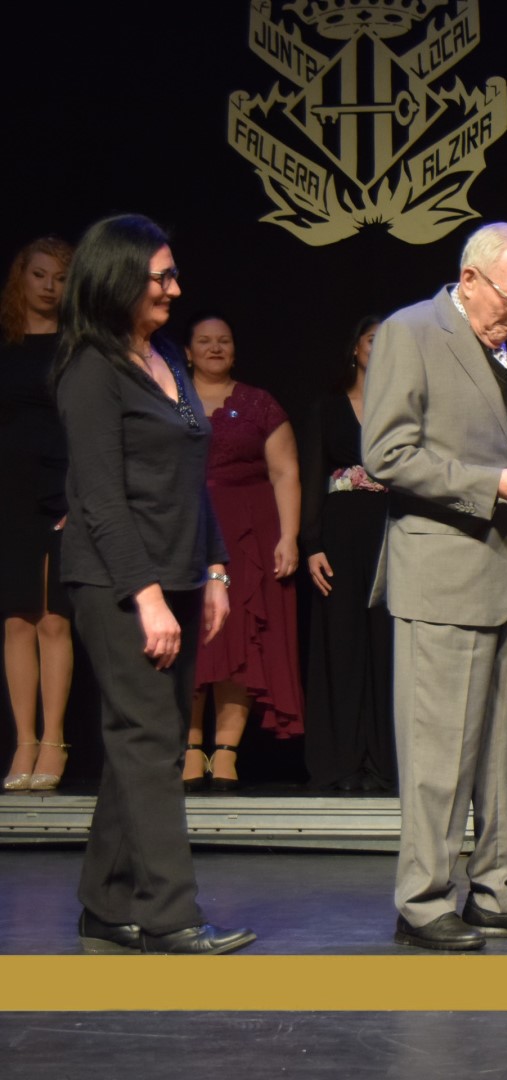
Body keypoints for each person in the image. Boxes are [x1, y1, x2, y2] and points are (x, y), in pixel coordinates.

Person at [362, 221, 507, 950]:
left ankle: (497, 888)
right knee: (438, 752)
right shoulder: (410, 332)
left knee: (503, 749)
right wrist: (496, 485)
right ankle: (423, 900)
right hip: (441, 573)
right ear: (470, 279)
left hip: (504, 570)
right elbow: (387, 453)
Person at [52, 213, 254, 954]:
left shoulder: (163, 355)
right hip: (118, 583)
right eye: (160, 277)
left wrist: (214, 568)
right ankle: (170, 914)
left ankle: (105, 903)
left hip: (179, 573)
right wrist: (145, 597)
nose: (174, 288)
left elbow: (192, 478)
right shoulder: (90, 370)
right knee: (149, 739)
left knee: (148, 743)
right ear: (118, 280)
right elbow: (100, 498)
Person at [186, 314, 304, 790]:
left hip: (249, 534)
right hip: (182, 528)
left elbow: (285, 472)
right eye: (204, 341)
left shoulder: (258, 403)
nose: (215, 348)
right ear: (188, 351)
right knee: (192, 638)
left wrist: (288, 537)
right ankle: (189, 747)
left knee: (239, 641)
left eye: (224, 341)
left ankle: (226, 752)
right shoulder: (167, 400)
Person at [301, 315, 396, 792]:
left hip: (392, 531)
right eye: (373, 340)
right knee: (341, 643)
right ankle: (340, 761)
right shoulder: (327, 407)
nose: (380, 348)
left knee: (388, 644)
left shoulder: (405, 407)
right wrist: (311, 543)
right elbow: (311, 476)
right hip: (339, 534)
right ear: (355, 348)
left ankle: (387, 762)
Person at [2, 236, 74, 791]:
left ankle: (54, 739)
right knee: (15, 621)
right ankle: (23, 741)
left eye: (61, 278)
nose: (49, 287)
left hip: (60, 489)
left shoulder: (77, 347)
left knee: (52, 619)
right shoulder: (6, 344)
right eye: (40, 275)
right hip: (10, 491)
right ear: (21, 279)